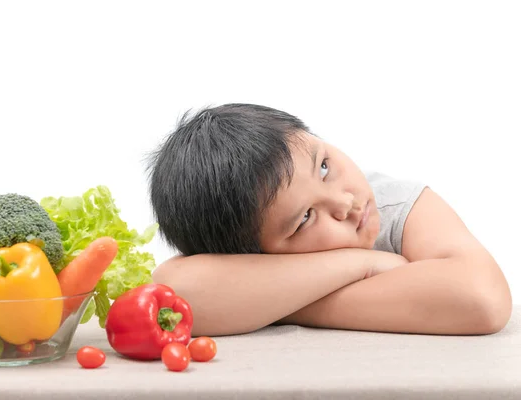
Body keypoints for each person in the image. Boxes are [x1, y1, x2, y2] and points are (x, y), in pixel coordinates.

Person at [146, 103, 511, 337]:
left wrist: (277, 305)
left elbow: (482, 299)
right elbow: (174, 293)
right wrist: (364, 263)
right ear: (254, 254)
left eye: (323, 167)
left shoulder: (398, 205)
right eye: (305, 218)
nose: (346, 202)